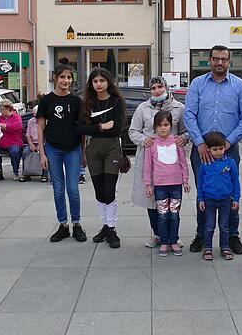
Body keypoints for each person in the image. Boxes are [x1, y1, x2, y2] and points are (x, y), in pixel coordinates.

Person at [184, 45, 242, 255]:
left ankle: (232, 236)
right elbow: (189, 115)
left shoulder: (240, 86)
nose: (220, 62)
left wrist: (229, 142)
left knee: (230, 192)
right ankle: (201, 235)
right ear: (209, 60)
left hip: (229, 151)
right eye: (216, 59)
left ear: (229, 62)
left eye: (224, 59)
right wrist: (199, 142)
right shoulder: (197, 84)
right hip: (202, 150)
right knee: (203, 194)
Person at [129, 76, 189, 248]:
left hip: (172, 163)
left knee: (173, 199)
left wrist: (183, 139)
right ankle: (157, 234)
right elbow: (133, 131)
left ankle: (172, 236)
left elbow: (187, 130)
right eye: (153, 88)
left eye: (160, 87)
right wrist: (143, 140)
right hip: (150, 159)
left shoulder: (179, 108)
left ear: (166, 87)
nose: (157, 90)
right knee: (152, 198)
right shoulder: (142, 108)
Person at [36, 64, 87, 242]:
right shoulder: (46, 100)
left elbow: (81, 129)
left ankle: (77, 224)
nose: (66, 81)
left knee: (72, 189)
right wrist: (42, 153)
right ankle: (63, 225)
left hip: (73, 149)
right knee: (58, 189)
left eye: (69, 77)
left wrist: (83, 153)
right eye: (62, 77)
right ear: (55, 78)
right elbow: (40, 128)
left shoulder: (76, 101)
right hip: (53, 149)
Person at [77, 67, 126, 248]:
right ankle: (105, 225)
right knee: (99, 191)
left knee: (109, 190)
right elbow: (80, 128)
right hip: (93, 150)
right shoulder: (87, 103)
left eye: (102, 81)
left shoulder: (117, 101)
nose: (98, 84)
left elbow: (117, 128)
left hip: (112, 148)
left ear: (108, 82)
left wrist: (96, 126)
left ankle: (112, 228)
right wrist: (101, 127)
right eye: (95, 81)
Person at [144, 110, 190, 257]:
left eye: (166, 124)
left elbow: (183, 163)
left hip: (176, 185)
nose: (163, 128)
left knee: (174, 214)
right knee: (163, 215)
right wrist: (148, 184)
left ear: (171, 125)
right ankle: (164, 241)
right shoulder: (151, 144)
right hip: (160, 186)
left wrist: (185, 181)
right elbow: (148, 166)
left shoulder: (177, 142)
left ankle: (174, 241)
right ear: (155, 127)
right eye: (159, 125)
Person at [197, 131, 241, 261]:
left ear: (224, 147)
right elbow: (200, 183)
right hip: (209, 200)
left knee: (224, 225)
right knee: (209, 226)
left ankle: (225, 247)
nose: (218, 152)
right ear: (209, 149)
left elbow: (235, 182)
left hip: (226, 200)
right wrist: (200, 199)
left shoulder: (230, 163)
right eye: (214, 149)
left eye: (221, 148)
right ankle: (208, 248)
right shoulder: (205, 164)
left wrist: (236, 198)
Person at [0, 99, 23, 181]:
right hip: (1, 143)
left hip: (14, 142)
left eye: (2, 109)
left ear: (8, 109)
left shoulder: (16, 117)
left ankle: (15, 171)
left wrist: (0, 125)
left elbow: (15, 127)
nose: (0, 111)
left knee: (15, 152)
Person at [21, 105, 49, 183]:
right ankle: (26, 173)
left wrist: (41, 145)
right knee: (25, 152)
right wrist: (31, 144)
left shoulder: (46, 121)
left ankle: (44, 174)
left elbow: (47, 135)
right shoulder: (31, 121)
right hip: (33, 142)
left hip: (44, 142)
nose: (35, 118)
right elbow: (28, 134)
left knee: (45, 154)